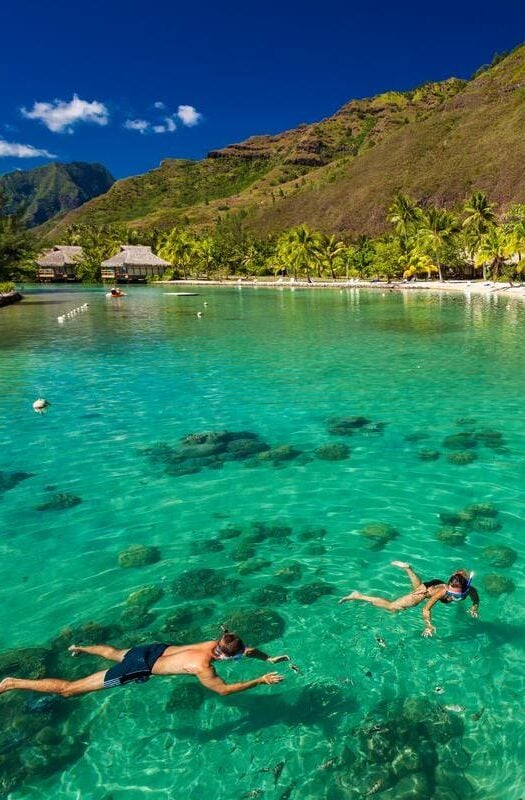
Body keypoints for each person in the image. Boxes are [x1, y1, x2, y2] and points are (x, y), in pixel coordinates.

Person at [0, 629, 289, 699]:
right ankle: (12, 683)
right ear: (223, 655)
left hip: (150, 650)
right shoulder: (204, 668)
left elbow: (245, 650)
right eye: (234, 657)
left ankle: (79, 647)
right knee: (68, 690)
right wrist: (260, 680)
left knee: (114, 652)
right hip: (140, 667)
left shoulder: (213, 643)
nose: (239, 656)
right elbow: (224, 691)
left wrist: (269, 658)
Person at [339, 561, 479, 637]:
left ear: (466, 589)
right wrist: (428, 625)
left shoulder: (470, 590)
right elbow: (426, 609)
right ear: (448, 587)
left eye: (458, 596)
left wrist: (474, 608)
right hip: (427, 591)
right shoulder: (442, 592)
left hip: (433, 584)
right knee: (393, 607)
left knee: (416, 588)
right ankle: (357, 595)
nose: (454, 598)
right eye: (452, 594)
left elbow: (476, 600)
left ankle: (408, 568)